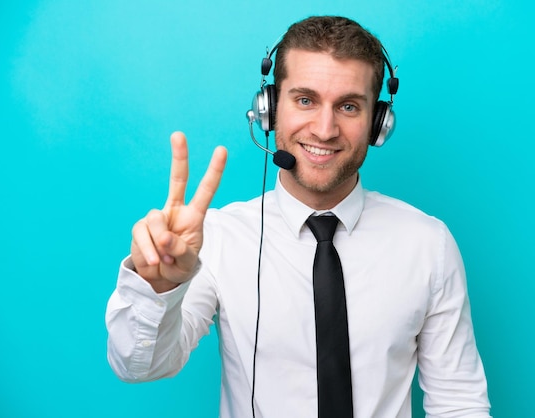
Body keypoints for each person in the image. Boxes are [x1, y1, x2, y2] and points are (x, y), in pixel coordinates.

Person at [106, 15, 492, 418]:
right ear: (269, 109)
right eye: (305, 100)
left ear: (378, 123)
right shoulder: (218, 237)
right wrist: (159, 288)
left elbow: (459, 402)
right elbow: (140, 366)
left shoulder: (427, 243)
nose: (325, 130)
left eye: (348, 106)